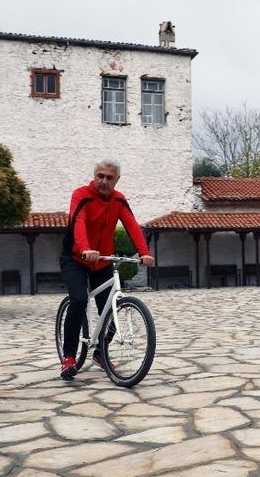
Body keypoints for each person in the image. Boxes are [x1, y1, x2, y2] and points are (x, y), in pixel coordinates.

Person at [59, 159, 154, 380]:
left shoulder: (119, 200)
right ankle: (69, 358)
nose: (103, 181)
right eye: (100, 176)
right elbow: (78, 222)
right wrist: (85, 248)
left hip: (102, 261)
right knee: (79, 300)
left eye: (109, 178)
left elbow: (131, 223)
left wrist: (144, 252)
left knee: (110, 312)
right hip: (76, 258)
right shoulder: (81, 195)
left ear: (117, 180)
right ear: (94, 175)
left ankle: (101, 353)